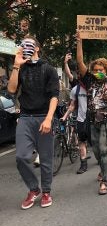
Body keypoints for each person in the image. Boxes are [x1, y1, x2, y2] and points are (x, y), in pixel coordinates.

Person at [7, 35, 59, 209]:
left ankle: (46, 191)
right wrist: (16, 65)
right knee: (21, 156)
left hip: (44, 116)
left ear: (37, 48)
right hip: (25, 117)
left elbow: (54, 96)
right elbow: (12, 89)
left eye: (28, 44)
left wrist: (49, 119)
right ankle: (33, 189)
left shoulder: (49, 69)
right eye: (23, 44)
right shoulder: (20, 68)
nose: (25, 47)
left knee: (45, 158)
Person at [76, 31, 107, 195]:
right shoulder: (89, 81)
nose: (97, 71)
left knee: (103, 149)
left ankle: (104, 181)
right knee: (95, 150)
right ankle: (103, 168)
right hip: (92, 120)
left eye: (101, 69)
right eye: (95, 69)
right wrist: (79, 42)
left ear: (105, 70)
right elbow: (80, 62)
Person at [60, 82, 89, 174]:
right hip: (81, 120)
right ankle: (83, 164)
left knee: (97, 146)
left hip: (94, 120)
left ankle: (101, 158)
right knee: (81, 142)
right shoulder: (75, 89)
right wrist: (64, 116)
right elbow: (72, 105)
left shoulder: (96, 87)